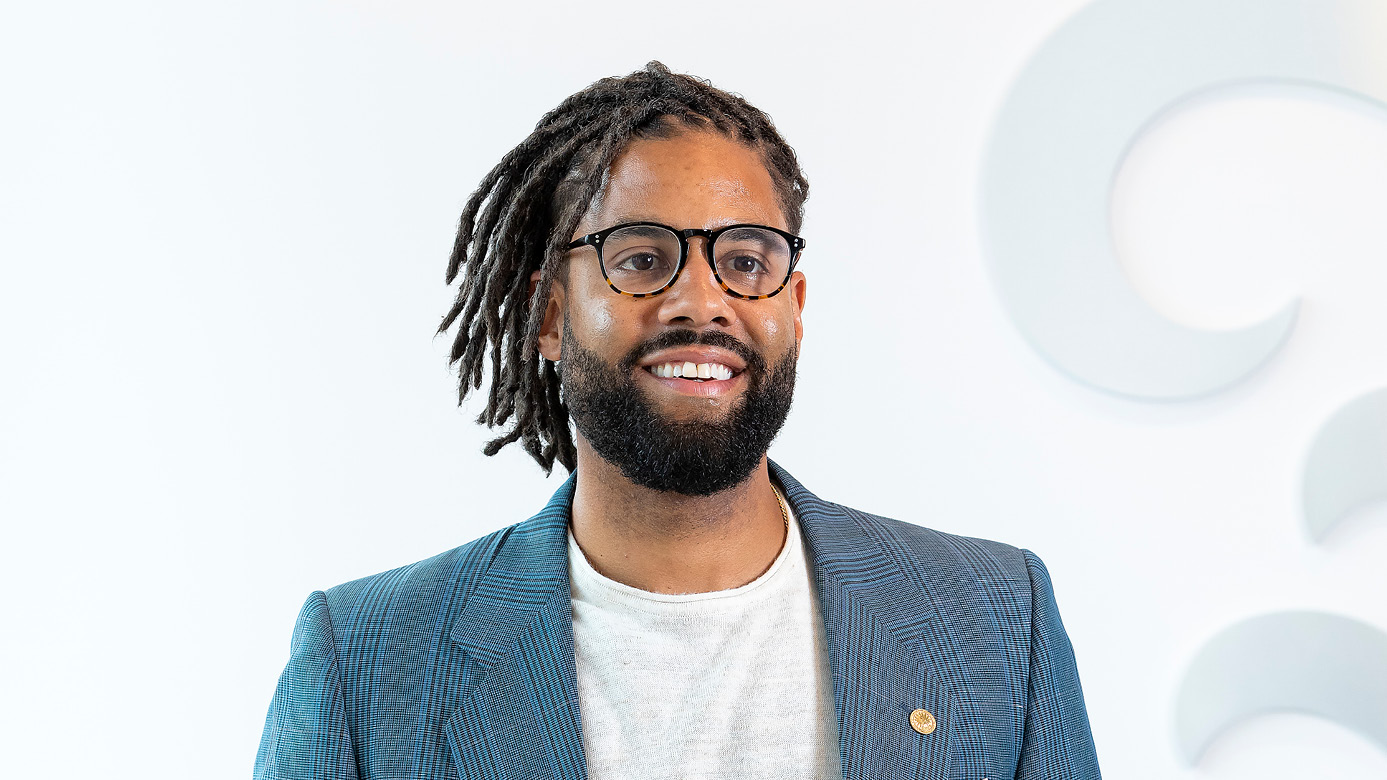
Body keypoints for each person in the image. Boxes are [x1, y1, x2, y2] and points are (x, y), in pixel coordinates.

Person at [254, 61, 1101, 780]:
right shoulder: (365, 659)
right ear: (548, 315)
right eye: (640, 260)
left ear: (793, 306)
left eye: (743, 261)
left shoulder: (994, 620)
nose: (701, 301)